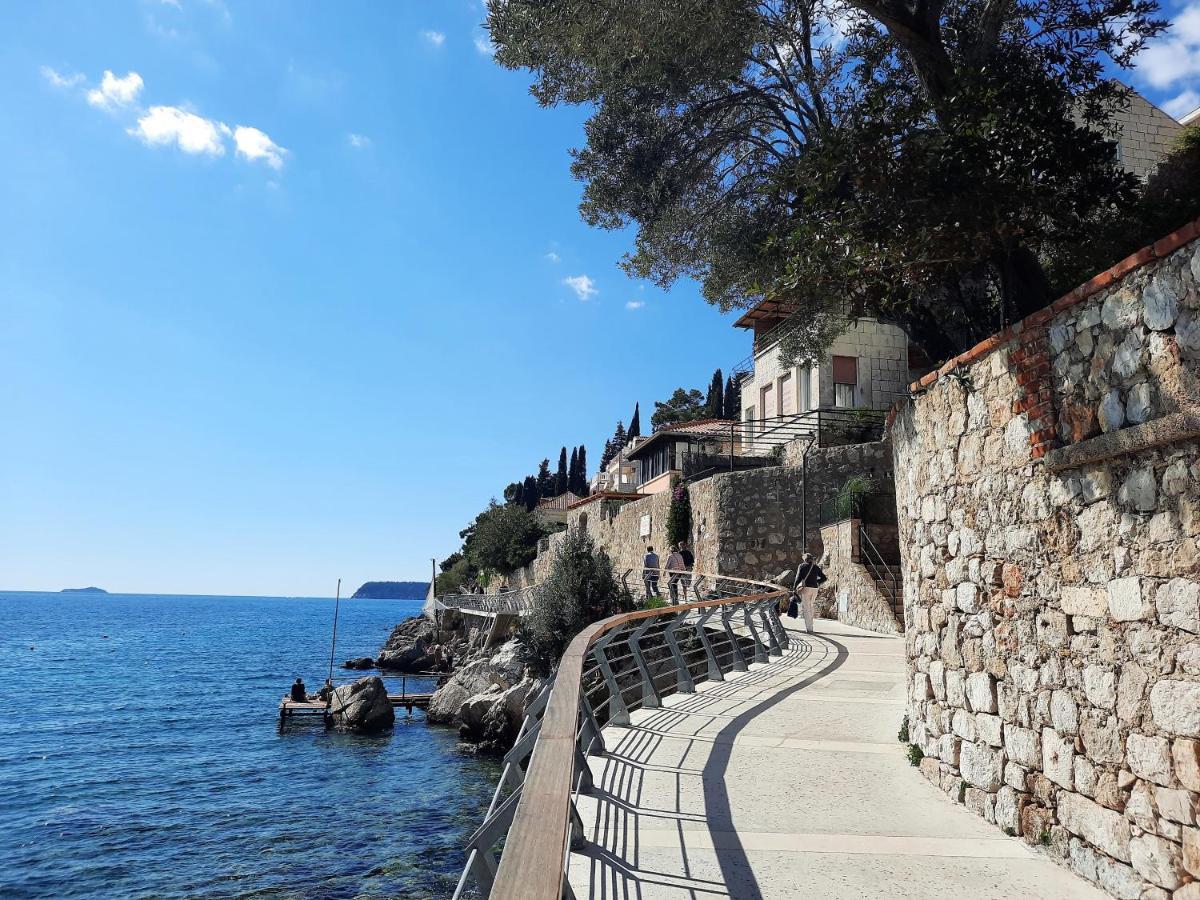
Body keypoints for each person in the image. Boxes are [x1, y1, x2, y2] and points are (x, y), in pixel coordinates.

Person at [792, 553, 828, 634]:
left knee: (806, 608)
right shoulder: (815, 567)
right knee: (811, 607)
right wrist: (817, 582)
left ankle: (809, 628)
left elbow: (798, 578)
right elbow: (824, 578)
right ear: (812, 559)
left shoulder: (802, 566)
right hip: (815, 589)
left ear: (804, 559)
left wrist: (794, 588)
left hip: (806, 589)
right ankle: (810, 625)